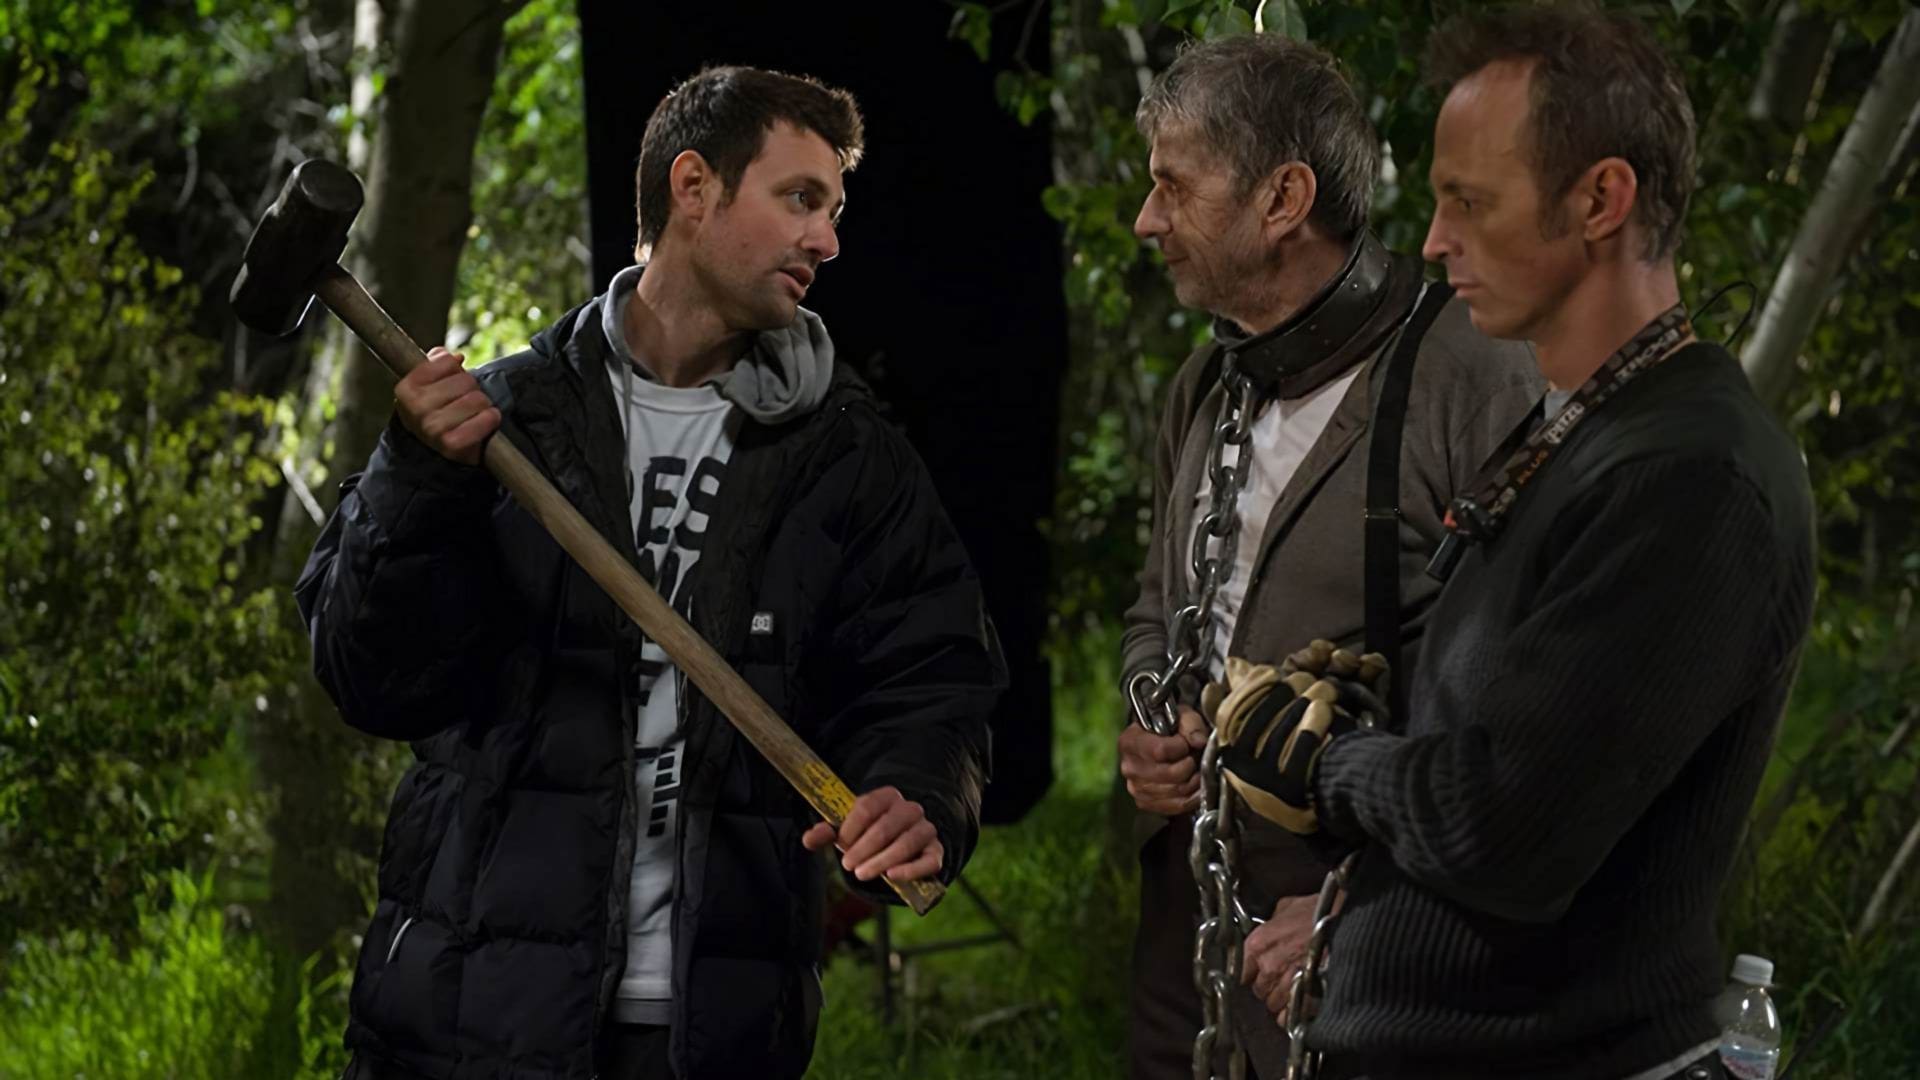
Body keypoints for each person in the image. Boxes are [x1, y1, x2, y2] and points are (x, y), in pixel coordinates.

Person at [296, 64, 1003, 1080]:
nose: (828, 241)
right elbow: (372, 678)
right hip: (471, 1008)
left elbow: (933, 681)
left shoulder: (847, 458)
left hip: (715, 1030)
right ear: (693, 188)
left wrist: (915, 795)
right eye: (800, 199)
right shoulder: (498, 427)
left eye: (834, 211)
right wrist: (413, 480)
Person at [1213, 8, 1815, 1079]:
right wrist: (1371, 757)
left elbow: (1504, 832)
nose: (1434, 241)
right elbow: (1522, 755)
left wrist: (1328, 759)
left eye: (1470, 202)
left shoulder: (1691, 477)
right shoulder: (1586, 431)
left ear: (1600, 201)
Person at [1115, 33, 1541, 1079]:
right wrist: (1148, 713)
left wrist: (1370, 901)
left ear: (1283, 198)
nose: (1147, 221)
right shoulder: (1202, 388)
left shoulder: (1472, 380)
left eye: (1174, 186)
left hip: (1364, 924)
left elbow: (1526, 715)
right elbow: (1157, 610)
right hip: (1187, 921)